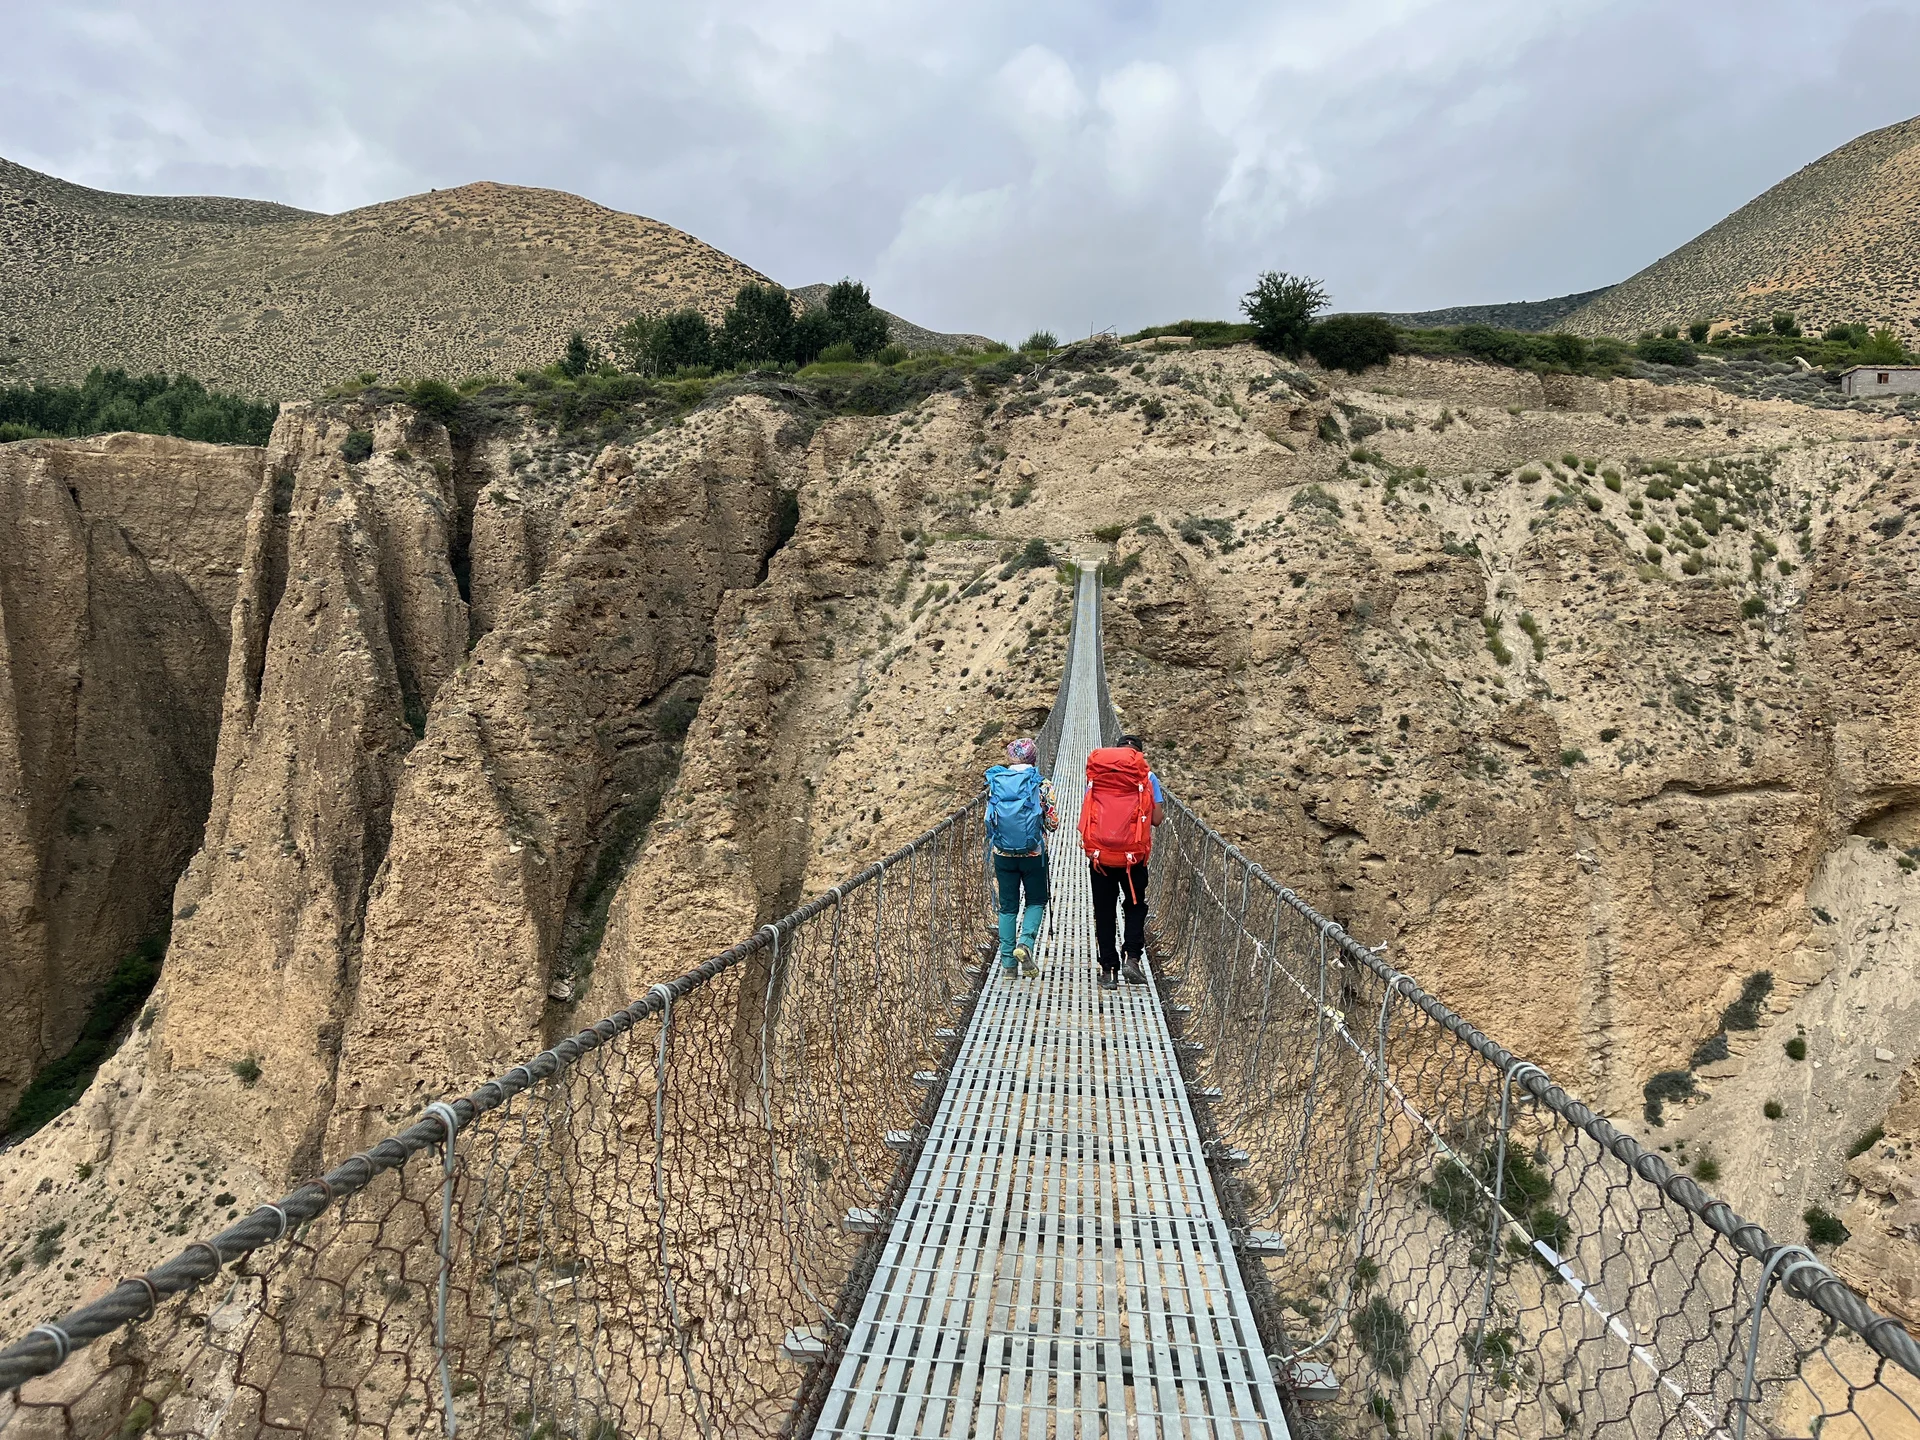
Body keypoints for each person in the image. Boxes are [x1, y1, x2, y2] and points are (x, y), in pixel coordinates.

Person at [1081, 733, 1163, 990]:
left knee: (1104, 912)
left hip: (1101, 857)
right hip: (1133, 858)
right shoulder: (1147, 777)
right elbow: (1157, 819)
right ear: (1138, 755)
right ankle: (1133, 957)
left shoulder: (1099, 775)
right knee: (1135, 907)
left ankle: (1108, 971)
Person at [985, 737, 1058, 977]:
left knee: (1007, 907)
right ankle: (1025, 943)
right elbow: (1053, 823)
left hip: (1002, 853)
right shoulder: (1041, 783)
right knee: (1036, 901)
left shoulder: (996, 781)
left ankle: (1008, 965)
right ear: (1033, 758)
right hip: (1033, 853)